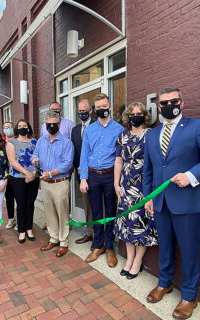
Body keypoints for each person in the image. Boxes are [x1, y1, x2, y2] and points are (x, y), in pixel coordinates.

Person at [143, 87, 200, 319]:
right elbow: (148, 170)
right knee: (165, 247)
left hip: (188, 202)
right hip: (160, 203)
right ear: (158, 107)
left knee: (189, 251)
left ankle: (190, 296)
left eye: (174, 100)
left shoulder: (197, 126)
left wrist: (190, 176)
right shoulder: (151, 134)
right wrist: (149, 197)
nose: (169, 105)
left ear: (182, 102)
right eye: (164, 102)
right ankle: (164, 283)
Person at [112, 102, 159, 280]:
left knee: (140, 225)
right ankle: (129, 259)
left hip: (143, 186)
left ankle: (138, 261)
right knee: (127, 225)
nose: (135, 116)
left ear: (145, 116)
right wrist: (116, 184)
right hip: (125, 187)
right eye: (132, 114)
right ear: (127, 117)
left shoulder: (150, 135)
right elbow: (118, 161)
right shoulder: (122, 135)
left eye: (139, 113)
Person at [79, 93, 125, 268]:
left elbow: (120, 158)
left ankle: (109, 247)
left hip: (110, 176)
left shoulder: (119, 129)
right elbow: (84, 155)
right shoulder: (90, 129)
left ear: (110, 107)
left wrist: (118, 181)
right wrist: (83, 178)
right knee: (97, 212)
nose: (102, 110)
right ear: (94, 110)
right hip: (93, 176)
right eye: (98, 108)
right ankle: (98, 246)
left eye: (104, 106)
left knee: (111, 212)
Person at [31, 111, 74, 257]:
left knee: (62, 213)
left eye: (54, 124)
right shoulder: (41, 141)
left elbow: (67, 164)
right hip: (45, 183)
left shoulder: (67, 143)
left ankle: (63, 242)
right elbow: (34, 154)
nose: (51, 126)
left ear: (59, 125)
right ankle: (54, 238)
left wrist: (50, 173)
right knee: (49, 212)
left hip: (59, 182)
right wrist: (34, 159)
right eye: (48, 124)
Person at [5, 119, 39, 244]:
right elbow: (12, 161)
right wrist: (26, 173)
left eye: (24, 126)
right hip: (18, 178)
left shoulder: (35, 142)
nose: (22, 128)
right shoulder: (11, 142)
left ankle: (29, 228)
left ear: (28, 128)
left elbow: (38, 159)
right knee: (21, 204)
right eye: (20, 126)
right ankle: (21, 230)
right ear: (16, 128)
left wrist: (33, 173)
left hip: (33, 178)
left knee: (30, 203)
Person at [70, 99, 95, 250]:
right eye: (80, 111)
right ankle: (89, 232)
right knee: (87, 205)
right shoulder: (75, 130)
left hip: (96, 173)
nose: (82, 114)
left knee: (98, 206)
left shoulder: (97, 126)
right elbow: (75, 152)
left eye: (84, 111)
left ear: (91, 111)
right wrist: (75, 166)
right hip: (81, 174)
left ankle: (100, 235)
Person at [3, 121, 17, 230]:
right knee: (9, 197)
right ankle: (11, 218)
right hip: (6, 173)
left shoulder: (18, 140)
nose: (9, 129)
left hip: (17, 172)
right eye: (6, 127)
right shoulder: (1, 142)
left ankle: (20, 219)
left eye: (11, 127)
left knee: (19, 197)